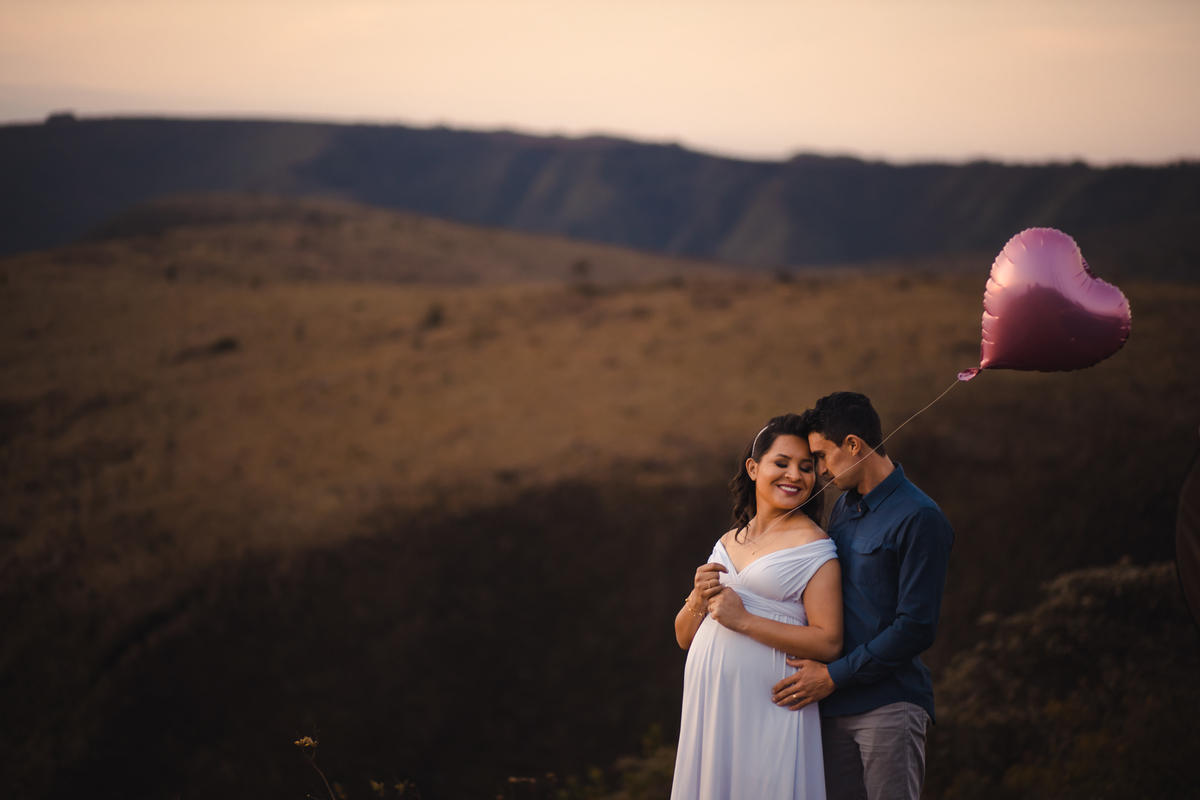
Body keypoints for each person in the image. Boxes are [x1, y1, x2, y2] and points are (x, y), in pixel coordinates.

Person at [771, 392, 954, 800]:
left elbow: (916, 627)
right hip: (828, 707)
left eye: (822, 456)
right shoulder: (842, 509)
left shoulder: (920, 517)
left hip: (888, 707)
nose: (819, 470)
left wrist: (833, 676)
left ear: (853, 444)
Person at [671, 413, 843, 800]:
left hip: (767, 706)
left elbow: (830, 642)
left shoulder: (815, 548)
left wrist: (744, 621)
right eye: (781, 463)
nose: (794, 475)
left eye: (806, 467)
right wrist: (697, 598)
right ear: (753, 468)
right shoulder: (727, 542)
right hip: (712, 706)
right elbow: (683, 637)